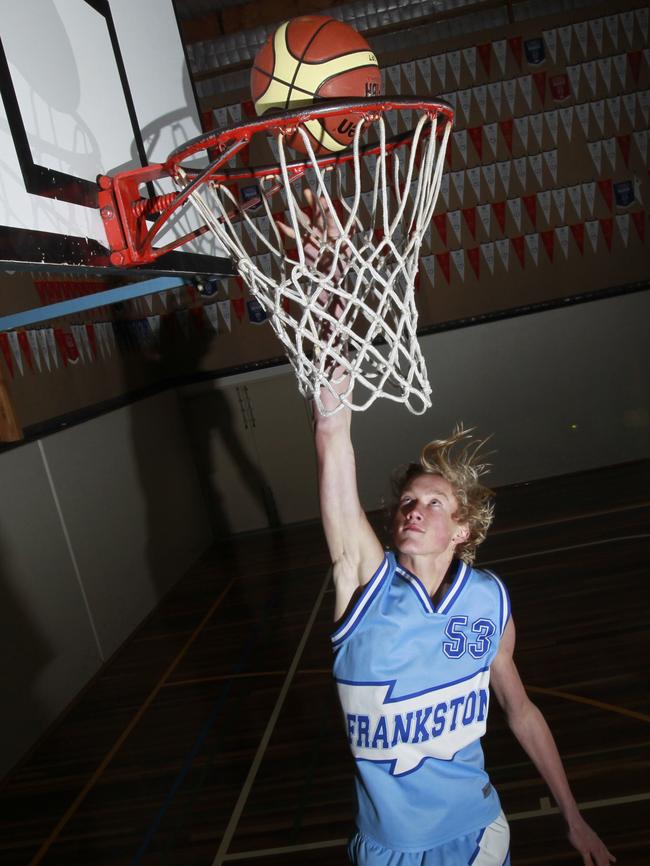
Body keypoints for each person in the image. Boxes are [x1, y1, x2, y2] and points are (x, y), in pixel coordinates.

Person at [287, 190, 616, 866]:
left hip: (478, 832)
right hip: (386, 848)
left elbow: (520, 710)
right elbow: (331, 433)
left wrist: (574, 818)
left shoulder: (488, 602)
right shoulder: (361, 579)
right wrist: (327, 295)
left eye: (434, 502)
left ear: (463, 528)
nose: (415, 508)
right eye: (409, 500)